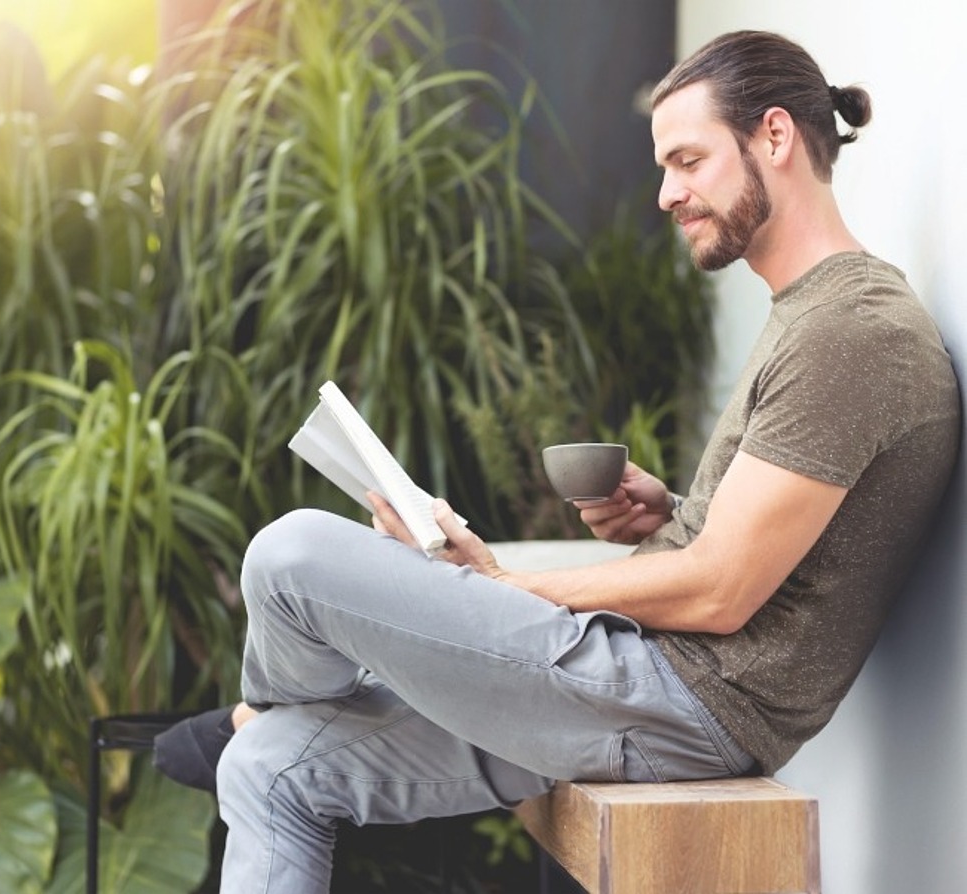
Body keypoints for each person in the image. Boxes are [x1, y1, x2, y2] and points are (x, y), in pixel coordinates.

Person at [153, 30, 961, 893]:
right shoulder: (816, 315)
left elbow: (725, 590)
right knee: (270, 767)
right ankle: (272, 718)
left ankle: (263, 702)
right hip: (642, 680)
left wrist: (495, 589)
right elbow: (765, 550)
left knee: (290, 556)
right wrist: (673, 512)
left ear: (774, 136)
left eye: (686, 161)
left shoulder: (852, 330)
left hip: (680, 701)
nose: (665, 194)